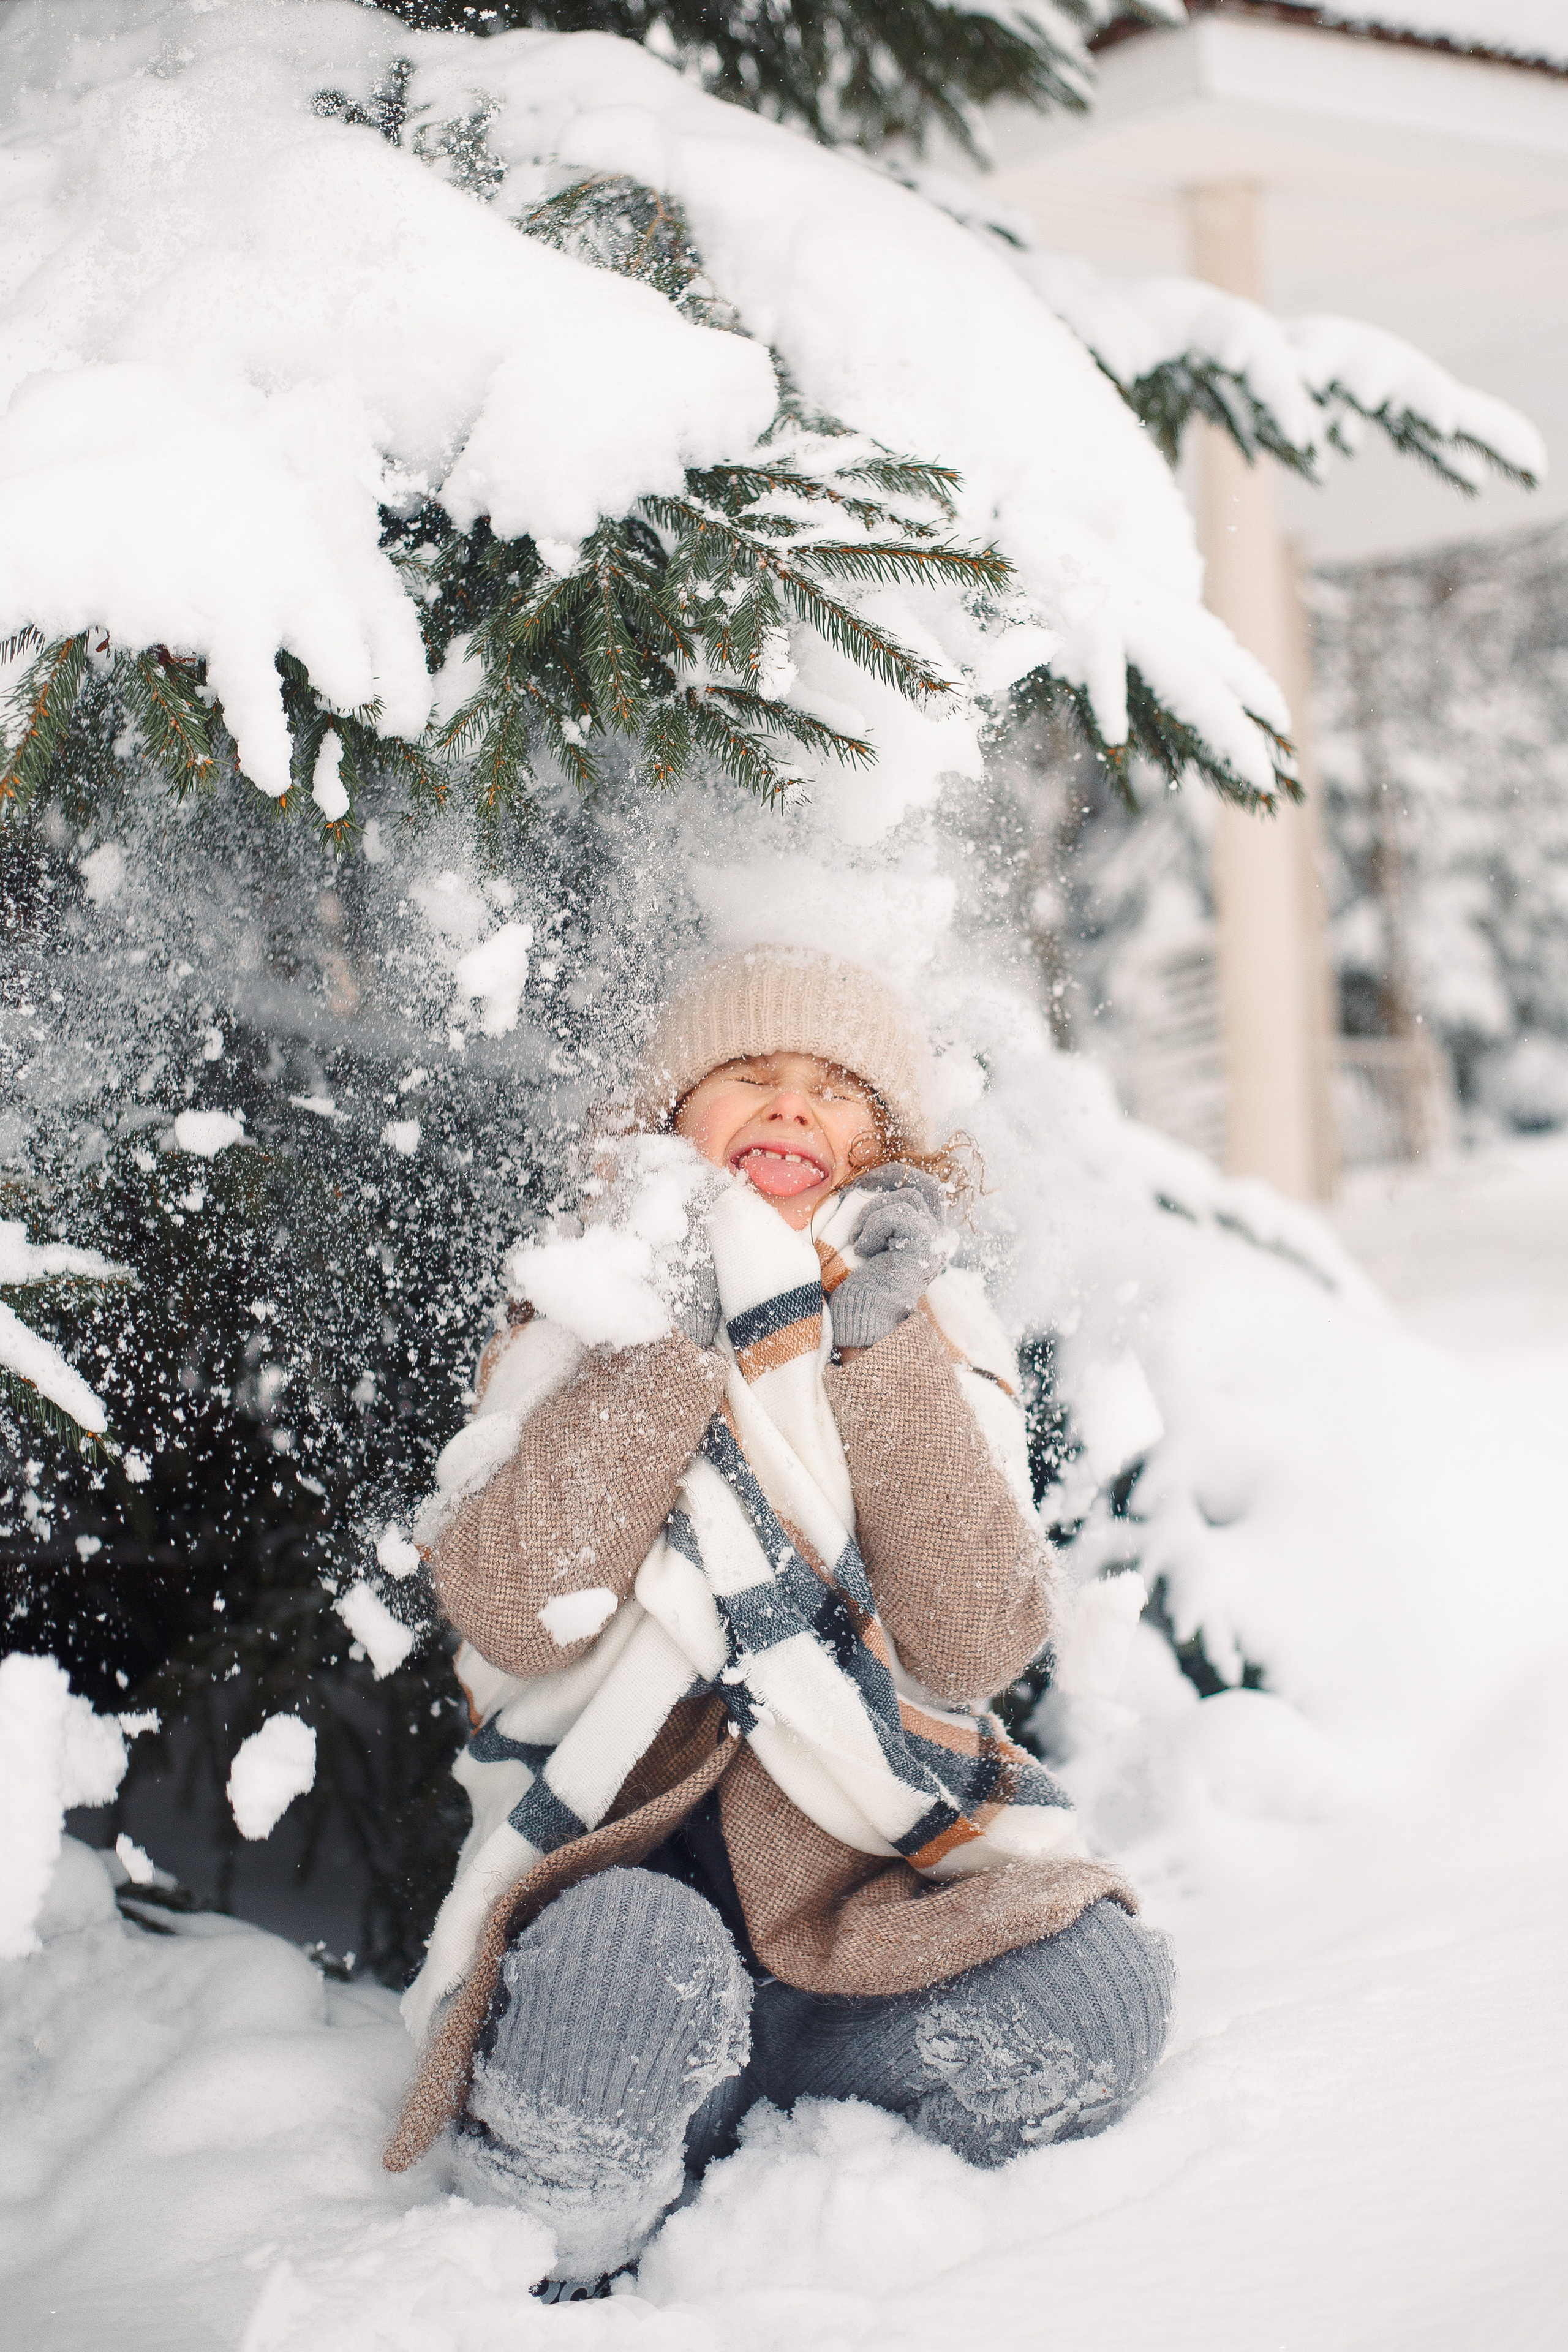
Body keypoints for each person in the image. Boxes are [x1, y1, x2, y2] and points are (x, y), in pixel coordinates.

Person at [385, 946, 1173, 2294]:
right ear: (665, 1123)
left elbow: (974, 1643)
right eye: (746, 1077)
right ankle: (559, 2226)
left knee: (1097, 1991)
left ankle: (791, 2090)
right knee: (639, 1958)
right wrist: (672, 1334)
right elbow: (517, 1610)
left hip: (862, 1888)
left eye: (832, 1091)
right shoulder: (577, 1315)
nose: (790, 1109)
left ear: (888, 1143)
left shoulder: (935, 1328)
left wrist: (873, 1346)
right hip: (626, 1873)